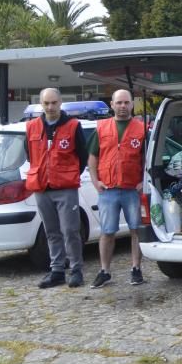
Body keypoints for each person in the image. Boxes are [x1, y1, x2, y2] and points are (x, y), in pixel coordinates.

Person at [25, 88, 89, 289]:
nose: (50, 107)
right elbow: (30, 155)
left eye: (54, 103)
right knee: (51, 231)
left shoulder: (72, 125)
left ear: (60, 103)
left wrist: (68, 175)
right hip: (42, 187)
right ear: (41, 104)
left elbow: (82, 156)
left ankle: (76, 270)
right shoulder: (32, 127)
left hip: (65, 187)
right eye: (46, 103)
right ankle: (57, 271)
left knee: (70, 230)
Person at [87, 89, 145, 288]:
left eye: (126, 102)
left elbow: (147, 159)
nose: (122, 106)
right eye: (118, 102)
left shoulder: (142, 128)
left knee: (136, 229)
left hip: (132, 189)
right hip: (108, 189)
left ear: (132, 105)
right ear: (111, 104)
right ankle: (105, 271)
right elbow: (93, 157)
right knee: (107, 231)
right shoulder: (101, 127)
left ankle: (136, 269)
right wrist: (95, 182)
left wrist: (143, 181)